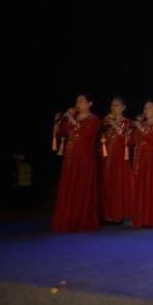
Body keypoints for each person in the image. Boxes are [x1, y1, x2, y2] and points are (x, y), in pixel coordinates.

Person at [52, 94, 101, 233]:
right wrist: (58, 122)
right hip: (70, 158)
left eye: (81, 101)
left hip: (84, 159)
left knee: (81, 188)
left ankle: (81, 221)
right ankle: (68, 220)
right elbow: (62, 132)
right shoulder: (72, 118)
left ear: (89, 103)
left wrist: (72, 119)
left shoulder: (94, 119)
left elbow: (87, 132)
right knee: (69, 187)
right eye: (77, 101)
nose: (78, 104)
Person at [128, 100, 153, 228]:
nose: (146, 110)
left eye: (149, 108)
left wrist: (140, 128)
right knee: (139, 187)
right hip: (138, 160)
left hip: (151, 162)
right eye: (145, 108)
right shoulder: (141, 124)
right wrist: (130, 131)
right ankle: (140, 219)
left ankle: (151, 219)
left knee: (150, 187)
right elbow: (131, 142)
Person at [99, 96, 133, 224]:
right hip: (107, 158)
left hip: (120, 159)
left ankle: (118, 214)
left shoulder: (127, 122)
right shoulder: (106, 122)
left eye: (117, 105)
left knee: (118, 185)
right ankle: (107, 214)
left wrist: (113, 123)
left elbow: (126, 137)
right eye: (112, 105)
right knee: (107, 184)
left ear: (123, 107)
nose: (114, 108)